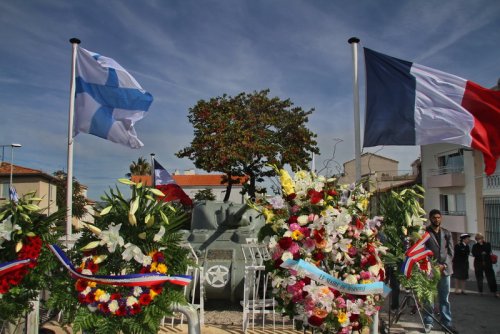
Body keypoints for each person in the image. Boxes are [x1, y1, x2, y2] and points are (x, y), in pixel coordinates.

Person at [423, 209, 458, 334]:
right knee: (429, 298)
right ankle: (428, 322)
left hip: (445, 270)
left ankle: (446, 323)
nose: (436, 219)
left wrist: (444, 265)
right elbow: (422, 251)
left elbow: (451, 252)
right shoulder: (425, 233)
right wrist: (433, 266)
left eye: (438, 217)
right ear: (430, 218)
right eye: (434, 217)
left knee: (444, 298)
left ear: (441, 218)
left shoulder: (447, 233)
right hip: (430, 270)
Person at [471, 233, 499, 298]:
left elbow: (488, 251)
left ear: (482, 238)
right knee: (479, 278)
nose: (479, 240)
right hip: (478, 264)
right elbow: (474, 253)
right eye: (477, 239)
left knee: (491, 277)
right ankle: (480, 291)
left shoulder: (487, 244)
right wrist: (482, 253)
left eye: (480, 238)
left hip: (487, 263)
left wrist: (482, 250)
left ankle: (494, 292)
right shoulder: (475, 246)